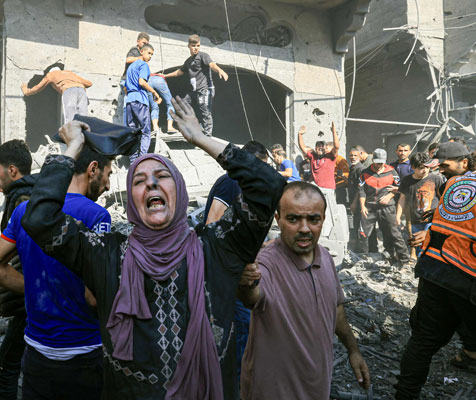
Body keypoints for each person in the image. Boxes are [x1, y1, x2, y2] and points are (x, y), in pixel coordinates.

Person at [19, 97, 286, 399]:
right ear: (132, 200)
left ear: (180, 191)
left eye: (162, 177)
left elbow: (269, 185)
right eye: (139, 181)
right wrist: (72, 149)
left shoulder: (217, 247)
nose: (151, 185)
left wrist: (201, 139)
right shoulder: (106, 253)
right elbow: (40, 218)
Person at [0, 146, 113, 399]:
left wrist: (35, 286)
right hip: (85, 349)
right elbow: (94, 297)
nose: (108, 186)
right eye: (108, 174)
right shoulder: (98, 216)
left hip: (36, 350)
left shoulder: (24, 211)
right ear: (93, 169)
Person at [238, 181, 370, 399]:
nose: (305, 228)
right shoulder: (267, 263)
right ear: (278, 219)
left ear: (323, 220)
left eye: (313, 219)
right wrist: (246, 281)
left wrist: (353, 350)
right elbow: (253, 296)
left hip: (316, 386)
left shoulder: (325, 257)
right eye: (293, 219)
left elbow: (335, 310)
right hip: (273, 391)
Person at [394, 143, 476, 399]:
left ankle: (405, 395)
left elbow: (453, 221)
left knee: (422, 342)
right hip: (466, 275)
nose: (441, 169)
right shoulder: (452, 181)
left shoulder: (454, 183)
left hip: (434, 269)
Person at [200, 141, 269, 383]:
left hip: (232, 272)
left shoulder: (244, 186)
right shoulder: (231, 182)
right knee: (241, 330)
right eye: (264, 168)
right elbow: (212, 223)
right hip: (227, 274)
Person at [0, 139, 34, 400]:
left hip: (28, 296)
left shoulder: (23, 200)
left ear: (12, 171)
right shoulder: (27, 194)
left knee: (5, 367)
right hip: (26, 291)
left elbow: (28, 252)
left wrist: (5, 275)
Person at [163, 34, 228, 136]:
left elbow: (212, 65)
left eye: (198, 46)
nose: (196, 48)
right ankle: (194, 126)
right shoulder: (188, 61)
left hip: (205, 89)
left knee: (205, 110)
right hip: (195, 91)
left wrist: (220, 70)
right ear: (189, 46)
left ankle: (208, 135)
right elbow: (179, 72)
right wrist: (165, 75)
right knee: (183, 103)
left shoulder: (203, 56)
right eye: (193, 46)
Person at [357, 148, 410, 265]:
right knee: (363, 233)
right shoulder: (365, 173)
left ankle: (404, 259)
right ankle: (363, 258)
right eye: (377, 162)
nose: (379, 165)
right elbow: (361, 191)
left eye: (381, 162)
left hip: (387, 207)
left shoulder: (392, 172)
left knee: (393, 232)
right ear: (372, 160)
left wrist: (390, 195)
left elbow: (400, 187)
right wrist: (362, 207)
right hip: (369, 208)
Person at [395, 152, 444, 258]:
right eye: (421, 168)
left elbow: (442, 199)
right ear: (413, 167)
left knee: (432, 248)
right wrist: (398, 216)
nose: (425, 170)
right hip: (415, 220)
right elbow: (402, 199)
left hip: (432, 220)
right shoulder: (407, 181)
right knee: (418, 248)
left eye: (427, 167)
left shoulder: (436, 179)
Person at [124, 43, 161, 163]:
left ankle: (133, 161)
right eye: (149, 53)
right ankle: (142, 158)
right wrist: (155, 93)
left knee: (133, 132)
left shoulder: (130, 67)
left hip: (130, 101)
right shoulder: (144, 65)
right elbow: (142, 82)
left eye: (152, 54)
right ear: (142, 52)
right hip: (140, 101)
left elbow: (125, 88)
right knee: (146, 131)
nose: (150, 56)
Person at [21, 64, 93, 124]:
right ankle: (86, 136)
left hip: (68, 90)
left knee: (70, 115)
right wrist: (74, 82)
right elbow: (89, 83)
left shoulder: (51, 74)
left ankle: (71, 138)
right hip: (81, 90)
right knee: (83, 116)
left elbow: (38, 87)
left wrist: (26, 91)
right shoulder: (69, 73)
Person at [297, 123, 340, 189]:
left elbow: (336, 147)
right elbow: (303, 148)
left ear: (325, 148)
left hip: (328, 189)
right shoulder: (313, 157)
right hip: (316, 190)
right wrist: (300, 135)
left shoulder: (330, 156)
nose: (320, 148)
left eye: (322, 146)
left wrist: (334, 132)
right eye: (318, 146)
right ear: (315, 148)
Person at [119, 32, 150, 123]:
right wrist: (140, 58)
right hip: (126, 81)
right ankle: (126, 127)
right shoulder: (134, 50)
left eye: (147, 43)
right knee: (127, 105)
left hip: (134, 83)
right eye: (143, 43)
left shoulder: (143, 54)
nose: (145, 45)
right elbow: (128, 59)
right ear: (138, 42)